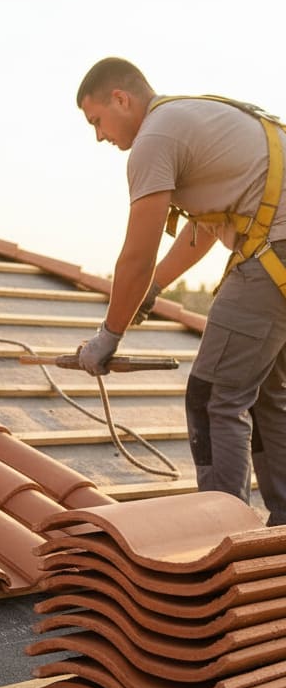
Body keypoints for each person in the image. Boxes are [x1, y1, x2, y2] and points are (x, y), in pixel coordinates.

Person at [76, 57, 286, 526]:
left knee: (213, 396)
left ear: (121, 99)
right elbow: (206, 229)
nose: (99, 136)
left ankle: (225, 533)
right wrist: (154, 288)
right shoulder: (188, 119)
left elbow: (136, 254)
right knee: (265, 393)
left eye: (97, 121)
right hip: (275, 250)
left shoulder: (154, 140)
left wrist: (108, 336)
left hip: (274, 253)